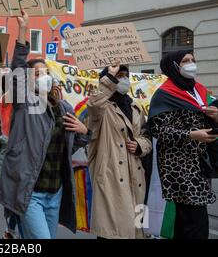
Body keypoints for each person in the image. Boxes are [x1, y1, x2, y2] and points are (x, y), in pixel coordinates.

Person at [0, 10, 90, 239]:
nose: (43, 76)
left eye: (46, 72)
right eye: (37, 74)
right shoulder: (25, 102)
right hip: (30, 192)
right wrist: (23, 31)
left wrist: (84, 132)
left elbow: (70, 145)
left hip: (54, 192)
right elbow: (17, 69)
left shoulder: (64, 108)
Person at [148, 50, 217, 239]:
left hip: (199, 163)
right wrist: (191, 134)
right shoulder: (164, 94)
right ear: (174, 66)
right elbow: (158, 130)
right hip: (178, 167)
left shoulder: (198, 90)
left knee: (186, 223)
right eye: (185, 61)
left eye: (193, 60)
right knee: (196, 224)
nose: (191, 63)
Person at [86, 64, 152, 239]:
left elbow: (146, 137)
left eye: (125, 75)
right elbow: (93, 105)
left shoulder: (135, 107)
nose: (123, 79)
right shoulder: (101, 108)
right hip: (111, 179)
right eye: (118, 76)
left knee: (137, 231)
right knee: (113, 233)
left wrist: (139, 145)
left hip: (137, 180)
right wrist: (110, 77)